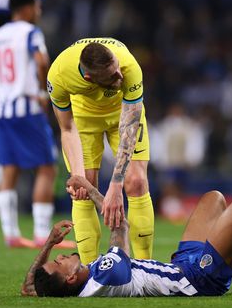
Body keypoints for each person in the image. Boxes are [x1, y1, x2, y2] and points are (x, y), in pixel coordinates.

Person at [21, 175, 232, 297]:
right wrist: (90, 190)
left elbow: (29, 285)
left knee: (214, 198)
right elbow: (120, 226)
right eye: (60, 262)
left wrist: (49, 243)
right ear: (71, 278)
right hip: (197, 278)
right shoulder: (106, 274)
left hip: (182, 264)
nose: (61, 256)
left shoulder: (78, 282)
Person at [0, 0, 75, 250]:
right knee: (47, 168)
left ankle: (12, 235)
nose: (39, 11)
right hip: (27, 109)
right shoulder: (30, 32)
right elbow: (41, 60)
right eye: (37, 6)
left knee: (9, 170)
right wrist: (42, 91)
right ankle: (40, 235)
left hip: (2, 113)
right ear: (26, 8)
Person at [47, 37, 154, 263]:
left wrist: (116, 185)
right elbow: (67, 128)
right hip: (83, 117)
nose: (120, 77)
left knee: (135, 181)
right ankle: (88, 270)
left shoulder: (129, 66)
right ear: (89, 78)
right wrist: (78, 178)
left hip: (122, 114)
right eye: (112, 76)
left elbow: (129, 126)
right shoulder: (59, 75)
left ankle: (145, 265)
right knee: (82, 190)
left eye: (117, 69)